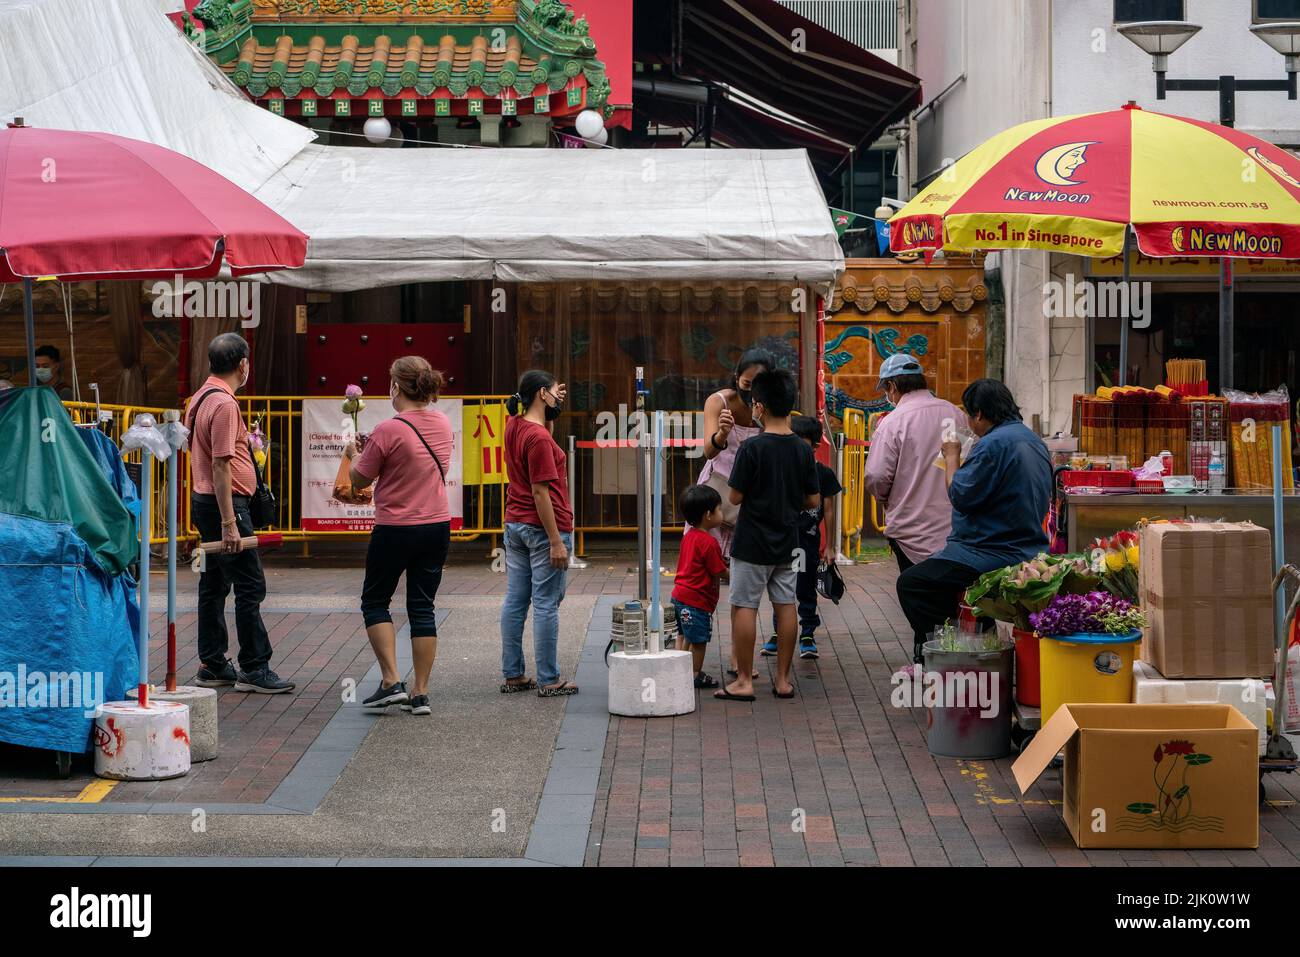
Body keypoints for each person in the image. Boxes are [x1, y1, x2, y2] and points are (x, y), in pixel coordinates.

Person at [895, 378, 1052, 666]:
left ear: (979, 414)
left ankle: (951, 651)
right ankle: (971, 634)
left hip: (988, 551)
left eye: (969, 414)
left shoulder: (992, 444)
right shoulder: (1033, 441)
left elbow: (960, 494)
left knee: (913, 584)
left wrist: (952, 456)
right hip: (1028, 545)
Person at [186, 333, 294, 694]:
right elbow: (220, 465)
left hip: (206, 502)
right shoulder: (225, 405)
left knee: (214, 584)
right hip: (225, 505)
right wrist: (230, 522)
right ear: (243, 365)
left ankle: (213, 663)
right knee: (249, 584)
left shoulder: (198, 397)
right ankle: (254, 666)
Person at [345, 357, 452, 717]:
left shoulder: (388, 429)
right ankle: (421, 693)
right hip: (437, 525)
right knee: (422, 606)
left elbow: (360, 479)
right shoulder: (442, 422)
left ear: (397, 387)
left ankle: (391, 681)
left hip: (394, 527)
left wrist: (353, 454)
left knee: (375, 600)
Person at [716, 369, 819, 702]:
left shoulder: (751, 447)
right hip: (787, 540)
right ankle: (784, 680)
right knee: (786, 606)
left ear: (758, 406)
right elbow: (813, 499)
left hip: (751, 541)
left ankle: (744, 681)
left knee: (744, 605)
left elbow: (733, 497)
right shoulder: (802, 450)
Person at [696, 347, 774, 679]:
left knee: (742, 583)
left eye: (758, 383)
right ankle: (692, 642)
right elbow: (708, 450)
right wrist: (722, 434)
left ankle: (735, 656)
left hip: (749, 503)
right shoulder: (720, 402)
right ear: (736, 378)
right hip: (715, 500)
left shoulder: (769, 407)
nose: (750, 389)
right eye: (746, 382)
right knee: (704, 578)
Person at [499, 369, 578, 697]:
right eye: (554, 392)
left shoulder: (514, 426)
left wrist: (551, 409)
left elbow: (541, 431)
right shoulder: (539, 439)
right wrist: (556, 541)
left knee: (516, 599)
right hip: (543, 527)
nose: (558, 397)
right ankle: (549, 679)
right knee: (546, 602)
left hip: (514, 524)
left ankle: (513, 673)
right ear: (541, 394)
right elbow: (540, 492)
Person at [863, 354, 964, 572]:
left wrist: (884, 497)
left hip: (911, 534)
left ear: (892, 386)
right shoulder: (956, 414)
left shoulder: (892, 422)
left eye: (886, 390)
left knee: (917, 597)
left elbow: (876, 476)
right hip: (956, 531)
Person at [762, 415, 841, 660]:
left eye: (803, 444)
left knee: (805, 587)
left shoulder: (823, 474)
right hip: (782, 541)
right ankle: (779, 633)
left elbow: (828, 509)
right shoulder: (781, 471)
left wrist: (830, 546)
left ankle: (807, 633)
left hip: (807, 542)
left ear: (816, 446)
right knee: (780, 588)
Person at [671, 484, 727, 689]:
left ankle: (680, 667)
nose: (722, 513)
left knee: (684, 634)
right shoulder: (709, 542)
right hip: (696, 601)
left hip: (679, 595)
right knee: (699, 640)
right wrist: (734, 573)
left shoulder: (689, 536)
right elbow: (718, 570)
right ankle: (694, 674)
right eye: (719, 509)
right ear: (708, 515)